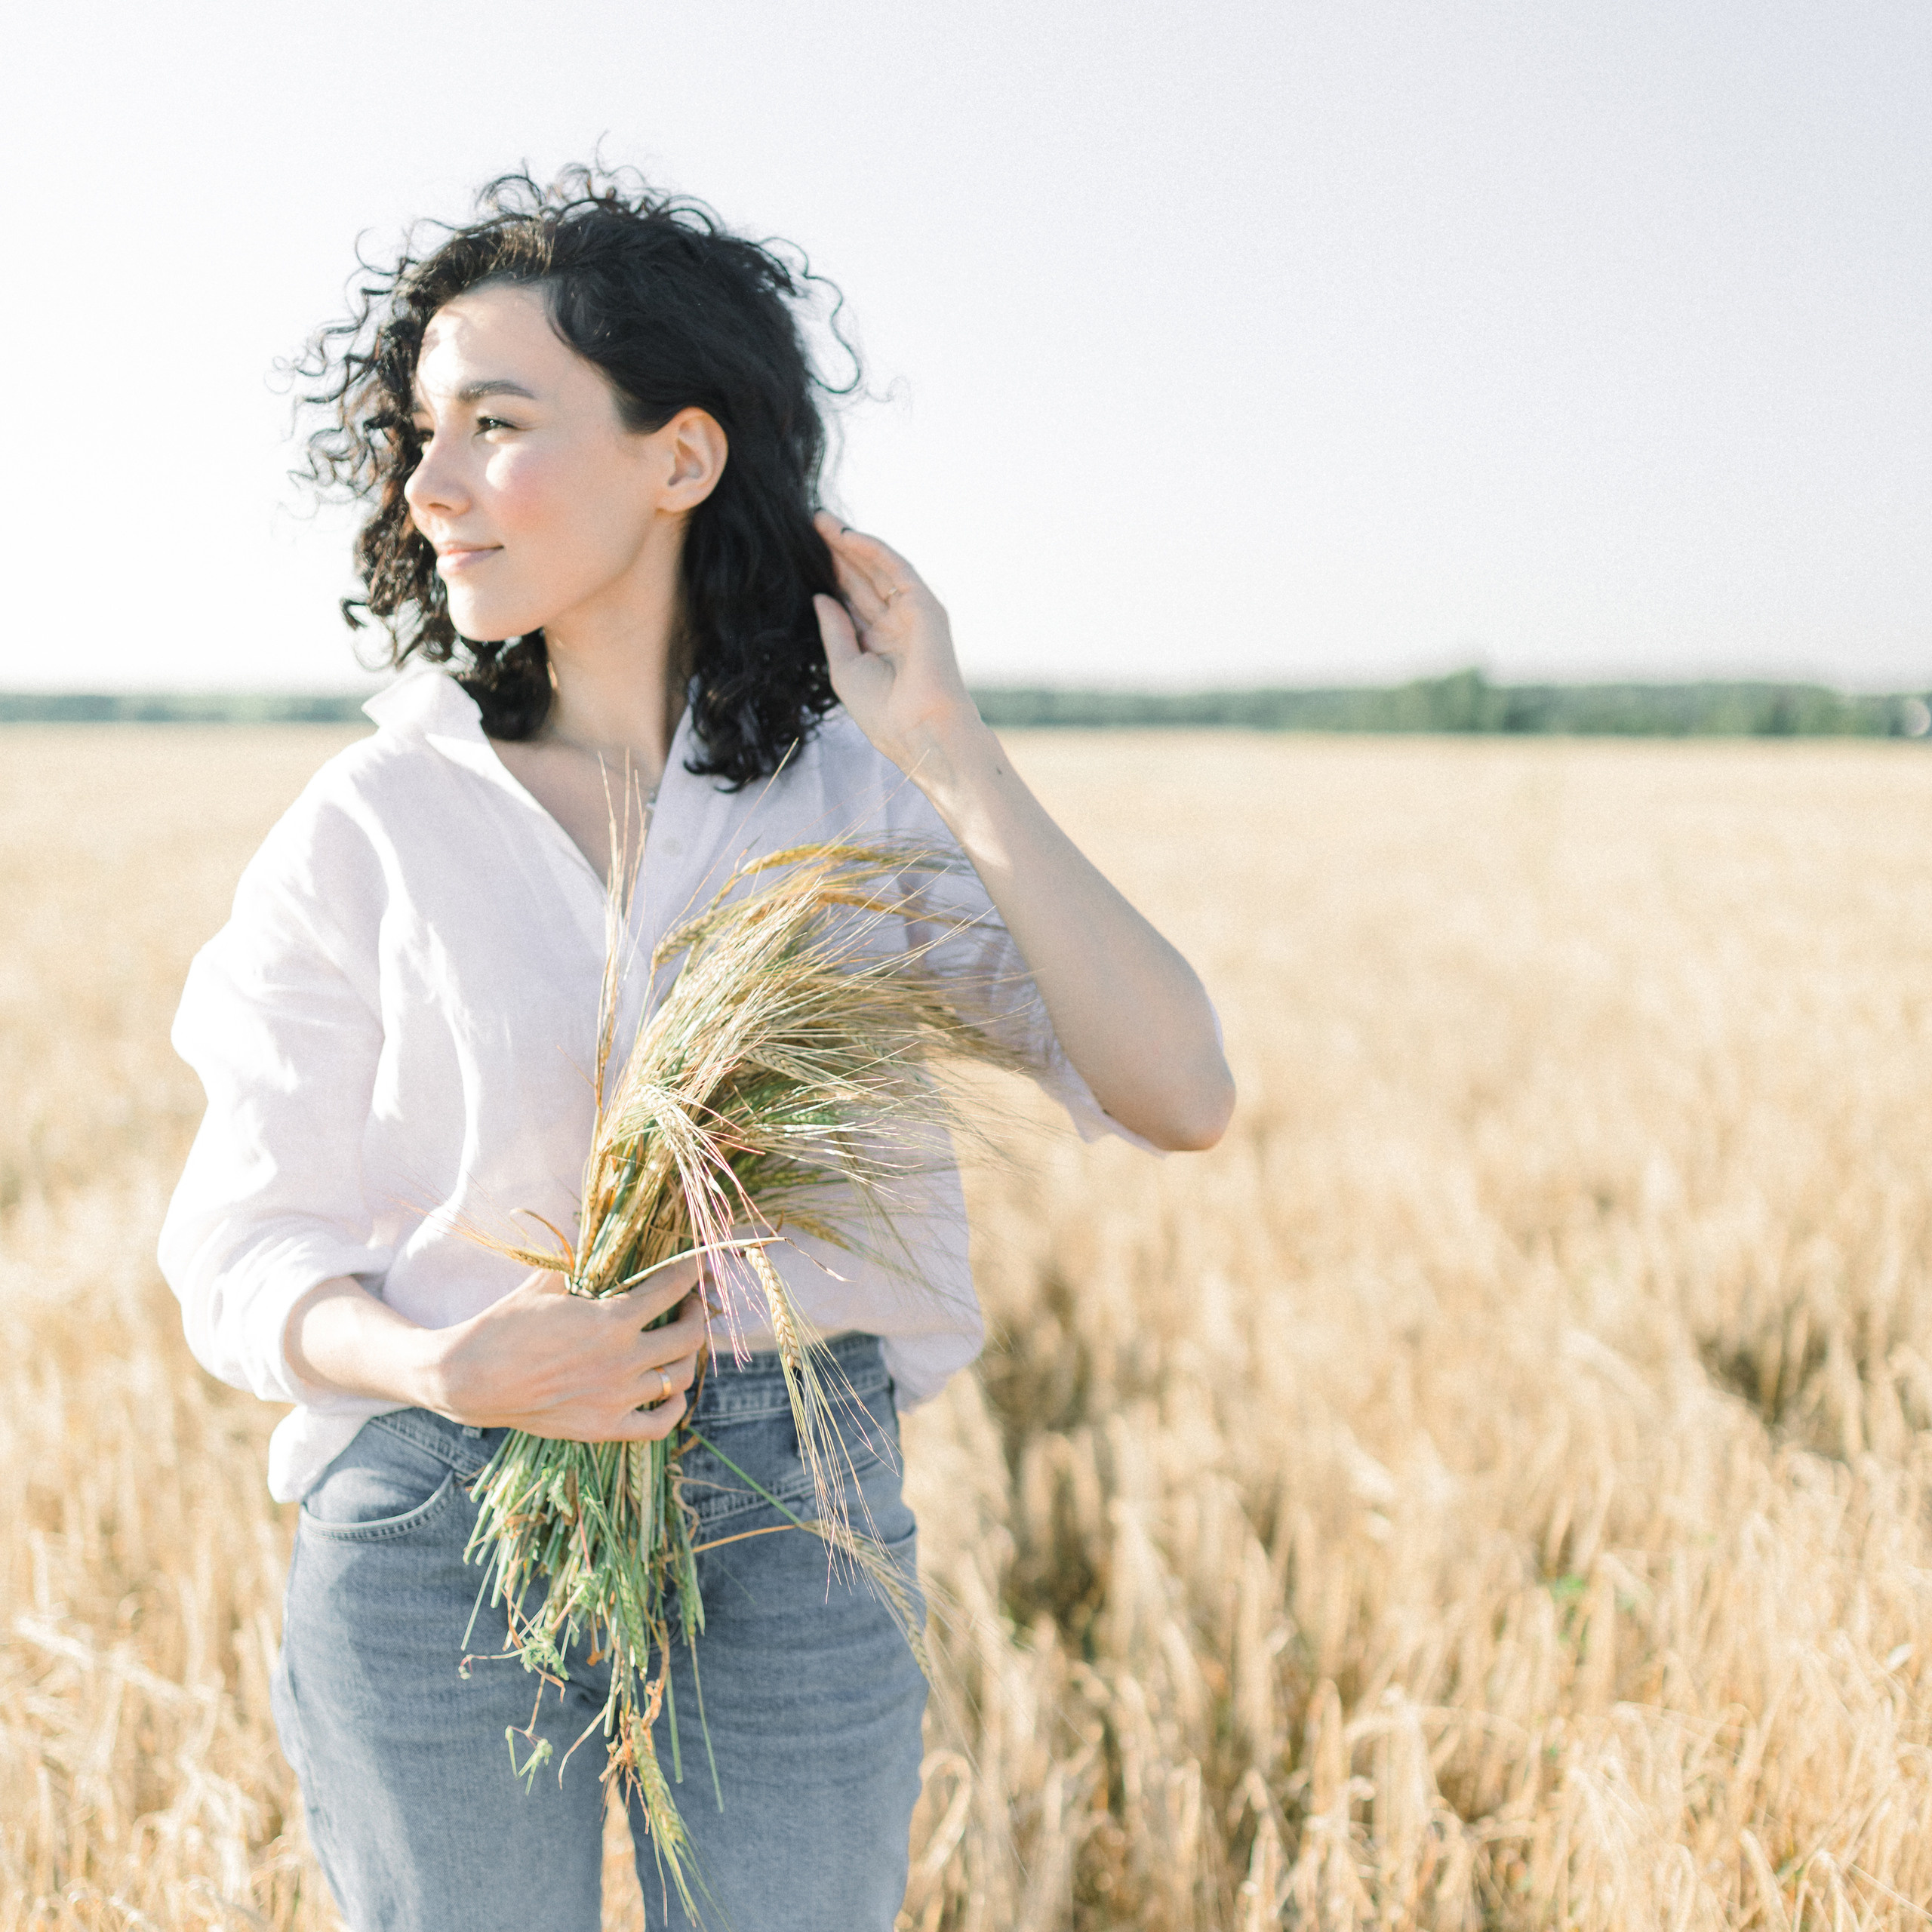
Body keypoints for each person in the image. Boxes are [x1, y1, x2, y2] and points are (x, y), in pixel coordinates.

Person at [160, 166, 1233, 1932]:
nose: (429, 483)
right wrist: (451, 1369)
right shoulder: (371, 821)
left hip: (788, 1493)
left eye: (496, 424)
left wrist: (949, 751)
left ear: (681, 454)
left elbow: (1177, 1089)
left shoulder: (847, 803)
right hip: (444, 1500)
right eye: (419, 432)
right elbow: (242, 1246)